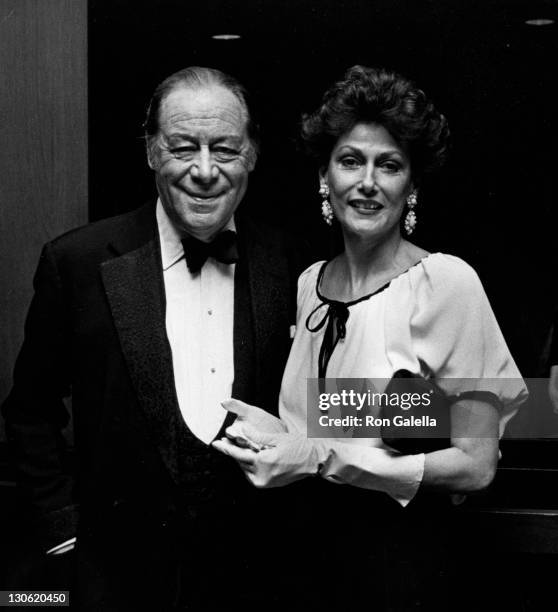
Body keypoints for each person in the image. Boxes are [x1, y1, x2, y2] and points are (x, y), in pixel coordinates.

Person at [214, 65, 528, 610]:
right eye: (350, 160)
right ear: (324, 176)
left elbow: (476, 465)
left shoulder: (445, 284)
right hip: (304, 556)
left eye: (389, 165)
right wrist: (280, 431)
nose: (367, 182)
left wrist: (320, 456)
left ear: (411, 185)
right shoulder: (309, 284)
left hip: (399, 563)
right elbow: (341, 421)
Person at [2, 66, 303, 610]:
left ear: (252, 155)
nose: (205, 170)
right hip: (117, 576)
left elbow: (339, 404)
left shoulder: (290, 262)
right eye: (183, 147)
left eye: (226, 150)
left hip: (255, 572)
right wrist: (60, 524)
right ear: (150, 152)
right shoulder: (78, 261)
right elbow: (30, 409)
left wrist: (442, 432)